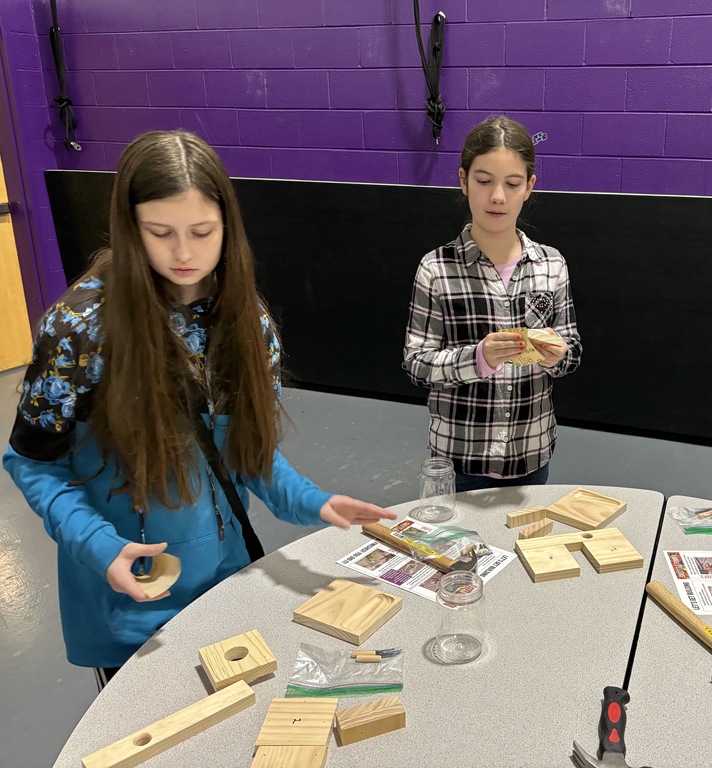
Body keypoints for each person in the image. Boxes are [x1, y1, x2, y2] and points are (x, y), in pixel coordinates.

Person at [3, 130, 396, 688]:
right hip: (132, 604)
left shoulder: (246, 323)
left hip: (223, 587)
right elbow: (33, 461)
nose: (183, 254)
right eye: (160, 233)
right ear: (129, 227)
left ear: (227, 228)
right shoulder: (80, 329)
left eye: (202, 233)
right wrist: (100, 546)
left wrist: (315, 501)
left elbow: (244, 453)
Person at [402, 116, 582, 492]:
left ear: (529, 187)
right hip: (460, 455)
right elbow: (417, 363)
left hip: (530, 453)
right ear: (463, 180)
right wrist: (480, 357)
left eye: (512, 183)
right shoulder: (436, 268)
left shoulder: (551, 264)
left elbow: (572, 351)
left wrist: (557, 355)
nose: (497, 196)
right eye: (484, 181)